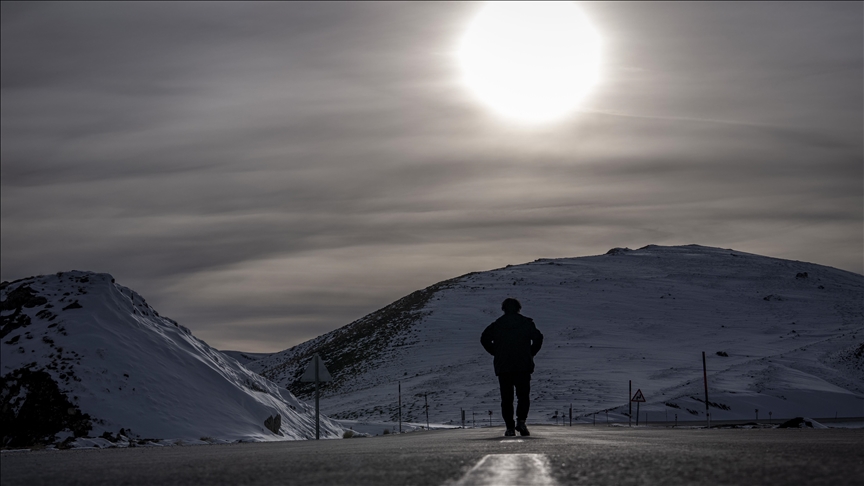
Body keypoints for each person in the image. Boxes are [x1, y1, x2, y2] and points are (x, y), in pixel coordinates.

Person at [480, 298, 543, 436]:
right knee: (523, 396)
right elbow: (538, 338)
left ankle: (509, 427)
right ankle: (521, 422)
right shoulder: (526, 323)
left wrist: (495, 352)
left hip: (504, 367)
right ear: (518, 308)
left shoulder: (498, 324)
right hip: (523, 366)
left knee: (507, 398)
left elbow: (484, 338)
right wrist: (530, 353)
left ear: (504, 309)